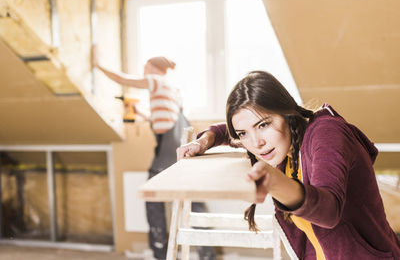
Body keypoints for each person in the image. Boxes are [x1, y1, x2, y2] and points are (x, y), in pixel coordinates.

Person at [177, 70, 400, 259]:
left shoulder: (326, 133)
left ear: (287, 113)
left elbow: (328, 211)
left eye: (264, 125)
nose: (256, 143)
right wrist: (204, 140)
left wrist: (276, 183)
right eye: (244, 134)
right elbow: (231, 129)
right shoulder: (286, 141)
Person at [93, 52, 216, 260]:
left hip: (168, 150)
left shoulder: (156, 81)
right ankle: (208, 254)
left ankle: (160, 252)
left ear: (153, 68)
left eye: (145, 67)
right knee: (190, 199)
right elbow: (162, 121)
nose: (143, 71)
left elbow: (122, 79)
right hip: (181, 148)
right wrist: (140, 114)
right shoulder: (173, 90)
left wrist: (98, 65)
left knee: (152, 197)